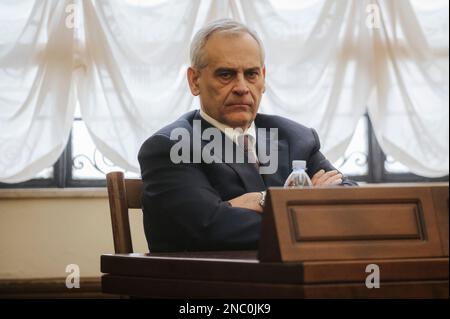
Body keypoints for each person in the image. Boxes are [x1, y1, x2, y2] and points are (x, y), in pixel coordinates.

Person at [138, 19, 357, 252]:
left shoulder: (296, 138)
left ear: (263, 77)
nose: (242, 87)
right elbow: (210, 228)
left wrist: (257, 204)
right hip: (213, 284)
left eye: (251, 74)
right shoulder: (172, 146)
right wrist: (293, 203)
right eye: (226, 75)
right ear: (195, 81)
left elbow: (352, 203)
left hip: (296, 280)